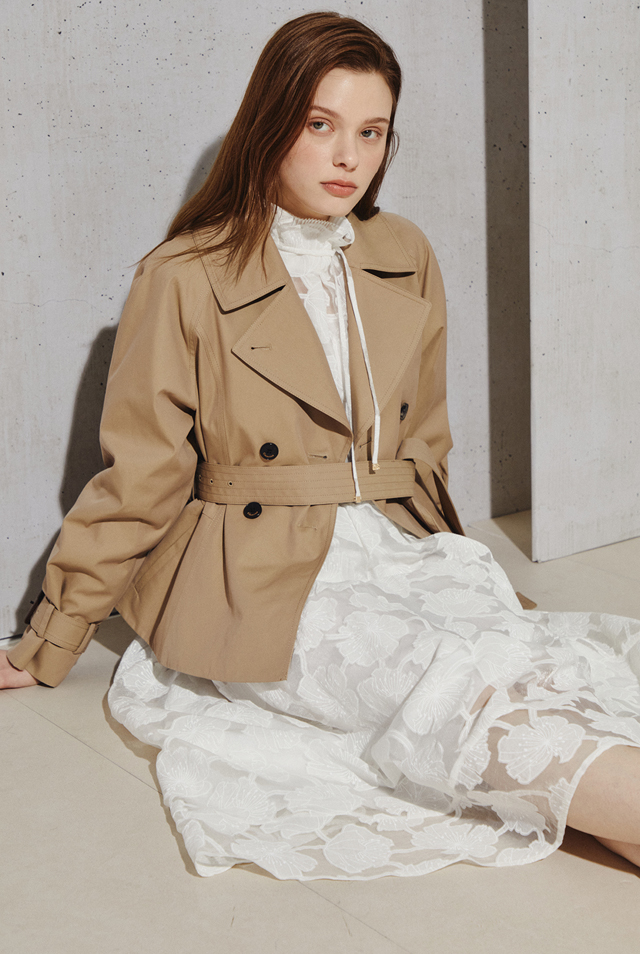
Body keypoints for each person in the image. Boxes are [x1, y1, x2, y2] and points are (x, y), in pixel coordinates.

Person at [2, 11, 640, 880]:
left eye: (371, 132)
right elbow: (139, 480)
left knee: (538, 678)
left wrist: (456, 571)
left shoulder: (403, 252)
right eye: (320, 124)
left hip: (398, 547)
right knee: (461, 696)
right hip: (263, 576)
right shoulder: (183, 275)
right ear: (271, 122)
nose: (348, 157)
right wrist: (52, 637)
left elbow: (425, 441)